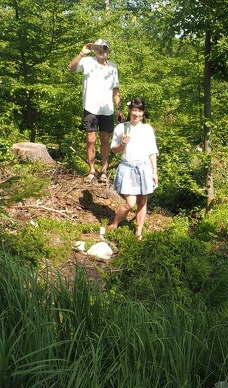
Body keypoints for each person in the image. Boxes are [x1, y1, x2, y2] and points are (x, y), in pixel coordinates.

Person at [68, 39, 122, 182]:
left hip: (107, 109)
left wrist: (118, 109)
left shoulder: (113, 67)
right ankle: (91, 171)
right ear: (94, 49)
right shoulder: (87, 62)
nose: (101, 51)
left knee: (105, 140)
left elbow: (116, 90)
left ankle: (104, 171)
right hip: (90, 107)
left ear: (108, 50)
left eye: (104, 48)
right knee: (90, 139)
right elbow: (71, 68)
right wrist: (82, 53)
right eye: (98, 48)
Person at [107, 98, 158, 240]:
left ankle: (138, 232)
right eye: (134, 110)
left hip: (144, 168)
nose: (137, 114)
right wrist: (123, 143)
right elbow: (114, 150)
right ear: (130, 111)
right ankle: (114, 224)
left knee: (142, 202)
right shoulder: (121, 128)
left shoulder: (147, 129)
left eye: (140, 111)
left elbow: (152, 151)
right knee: (130, 203)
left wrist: (154, 171)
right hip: (127, 168)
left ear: (143, 113)